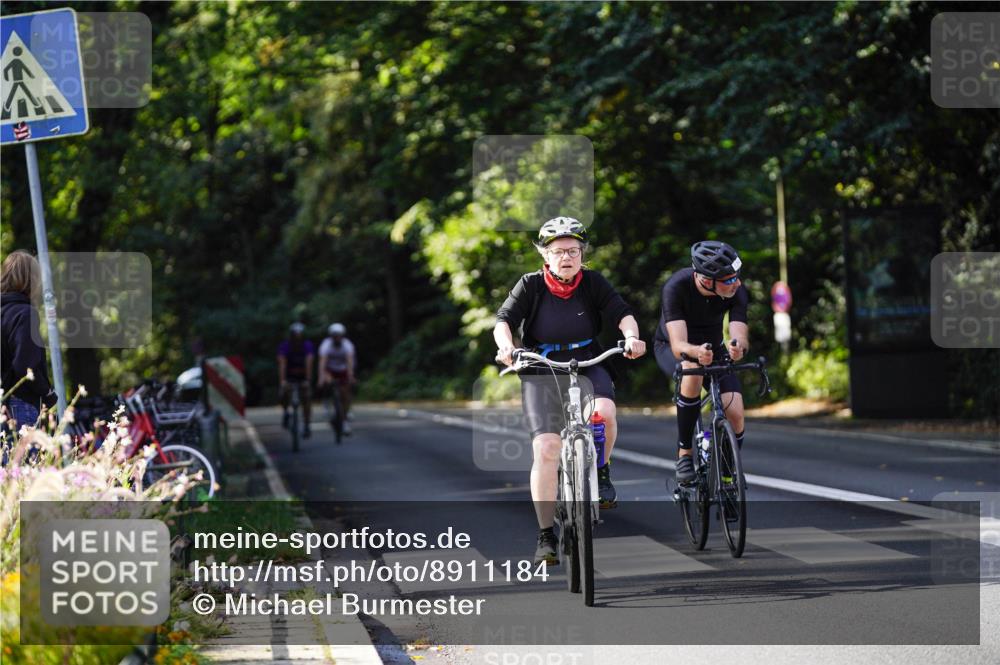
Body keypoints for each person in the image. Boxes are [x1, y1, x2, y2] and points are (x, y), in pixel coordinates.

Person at [494, 216, 647, 565]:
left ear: (582, 254)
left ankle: (602, 471)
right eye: (559, 251)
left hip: (589, 361)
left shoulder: (592, 282)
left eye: (574, 250)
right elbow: (503, 320)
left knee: (604, 414)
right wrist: (507, 346)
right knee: (547, 448)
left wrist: (631, 337)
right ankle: (546, 534)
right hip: (540, 366)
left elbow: (622, 313)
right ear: (545, 255)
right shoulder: (530, 284)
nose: (567, 257)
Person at [653, 240, 750, 487]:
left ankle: (727, 477)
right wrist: (695, 352)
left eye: (737, 276)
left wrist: (737, 346)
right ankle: (685, 454)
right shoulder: (676, 287)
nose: (736, 283)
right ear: (707, 280)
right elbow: (678, 345)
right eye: (729, 279)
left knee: (735, 412)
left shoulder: (735, 289)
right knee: (692, 371)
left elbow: (739, 331)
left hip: (713, 348)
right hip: (675, 347)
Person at [1, 250, 56, 429]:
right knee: (25, 457)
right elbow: (25, 366)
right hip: (19, 403)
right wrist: (47, 393)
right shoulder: (25, 314)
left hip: (3, 403)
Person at [277, 322, 314, 438]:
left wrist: (307, 379)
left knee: (307, 397)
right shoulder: (285, 346)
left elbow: (309, 362)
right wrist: (282, 381)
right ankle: (286, 412)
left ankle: (307, 424)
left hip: (302, 376)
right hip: (289, 376)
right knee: (283, 393)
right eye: (295, 334)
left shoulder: (307, 345)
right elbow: (282, 363)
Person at [318, 322, 356, 434]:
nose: (337, 338)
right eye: (335, 335)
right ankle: (327, 401)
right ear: (331, 336)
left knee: (346, 393)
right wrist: (321, 377)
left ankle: (344, 421)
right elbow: (322, 362)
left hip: (343, 370)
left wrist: (351, 376)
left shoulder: (347, 345)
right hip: (330, 370)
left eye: (339, 335)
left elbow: (350, 362)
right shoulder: (326, 345)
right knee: (327, 382)